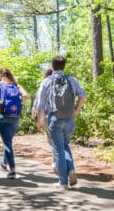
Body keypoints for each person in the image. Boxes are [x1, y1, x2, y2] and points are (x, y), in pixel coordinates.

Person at [36, 55, 86, 189]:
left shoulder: (47, 81)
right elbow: (83, 95)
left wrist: (40, 121)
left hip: (55, 118)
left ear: (52, 66)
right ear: (64, 66)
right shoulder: (71, 79)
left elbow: (40, 104)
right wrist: (76, 111)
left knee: (58, 149)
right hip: (70, 119)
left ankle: (63, 182)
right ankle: (71, 170)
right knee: (65, 145)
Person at [0, 67, 29, 179]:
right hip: (15, 117)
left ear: (0, 75)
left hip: (2, 116)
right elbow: (25, 96)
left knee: (7, 143)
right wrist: (20, 104)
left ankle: (13, 170)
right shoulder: (16, 85)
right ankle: (4, 163)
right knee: (8, 141)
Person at [31, 68, 56, 173]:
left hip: (47, 116)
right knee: (60, 140)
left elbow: (38, 101)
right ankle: (63, 163)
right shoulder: (60, 83)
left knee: (53, 140)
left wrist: (35, 114)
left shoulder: (45, 83)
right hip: (64, 116)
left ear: (44, 75)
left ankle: (57, 163)